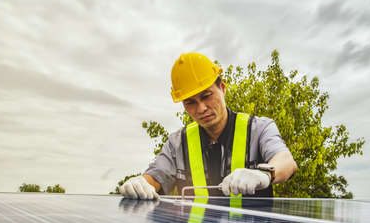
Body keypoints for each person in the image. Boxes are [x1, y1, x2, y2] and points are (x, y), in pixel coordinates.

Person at [121, 53, 297, 200]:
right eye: (190, 102)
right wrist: (140, 184)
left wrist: (265, 174)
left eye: (206, 96)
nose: (201, 109)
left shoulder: (259, 129)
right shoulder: (177, 144)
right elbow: (155, 176)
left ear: (222, 88)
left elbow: (286, 162)